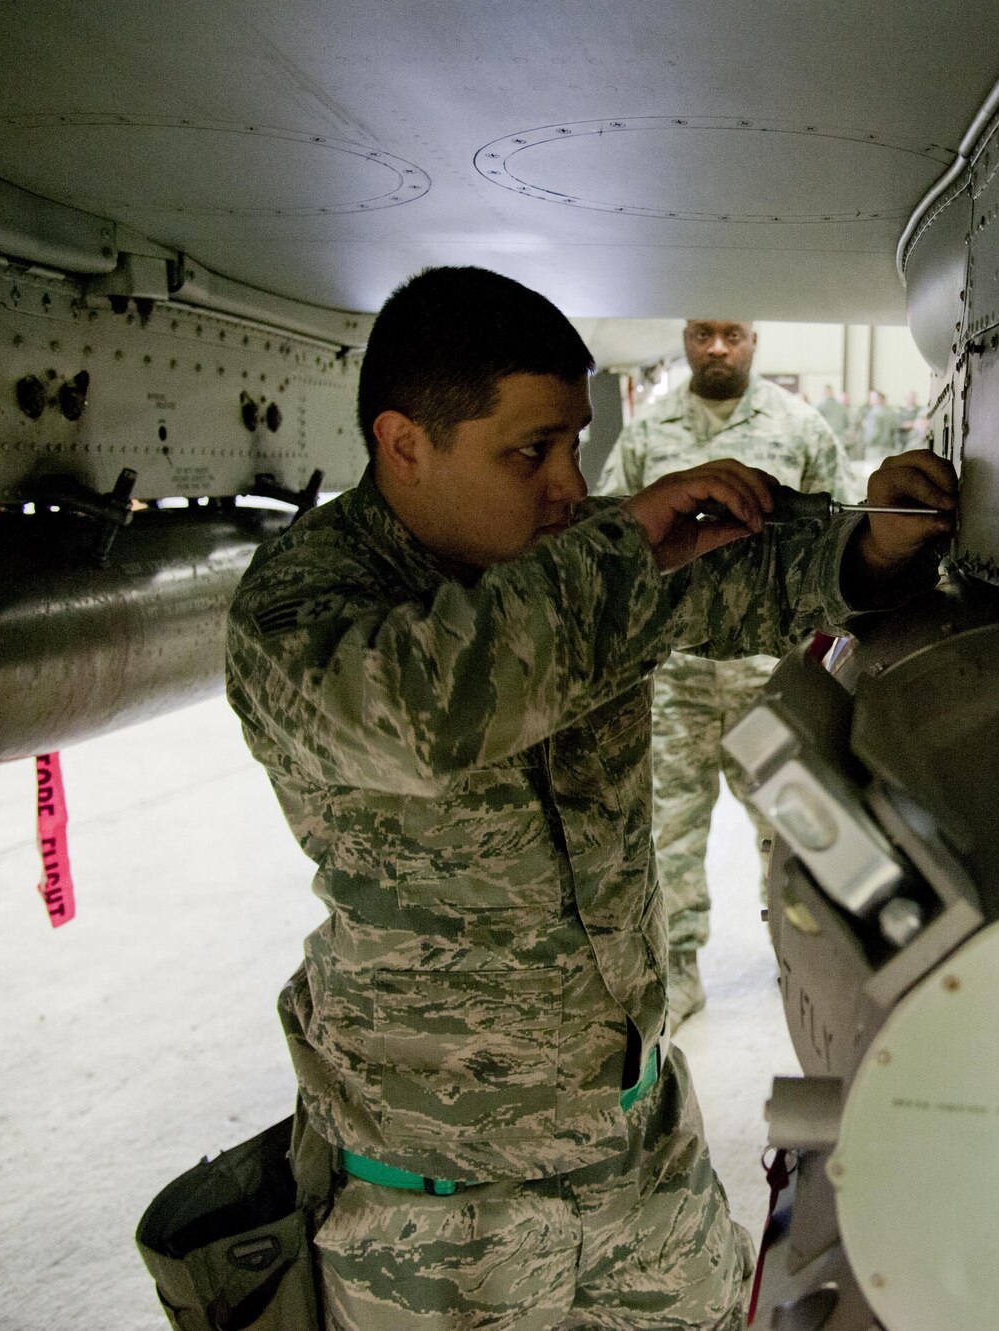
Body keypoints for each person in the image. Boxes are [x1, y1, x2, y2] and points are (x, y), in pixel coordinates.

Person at [224, 268, 955, 1330]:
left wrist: (871, 546)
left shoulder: (571, 555)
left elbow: (737, 581)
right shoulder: (302, 604)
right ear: (404, 444)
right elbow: (430, 711)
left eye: (575, 442)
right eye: (531, 451)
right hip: (440, 1210)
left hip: (636, 1150)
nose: (571, 484)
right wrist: (624, 545)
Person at [596, 321, 855, 1028]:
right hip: (671, 678)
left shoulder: (799, 427)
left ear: (753, 340)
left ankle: (801, 956)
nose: (716, 348)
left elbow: (841, 537)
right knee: (668, 829)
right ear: (686, 339)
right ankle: (677, 969)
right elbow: (606, 539)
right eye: (703, 334)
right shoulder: (647, 434)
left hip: (768, 679)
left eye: (731, 335)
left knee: (794, 822)